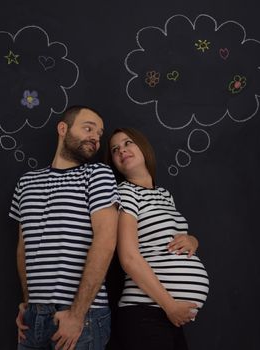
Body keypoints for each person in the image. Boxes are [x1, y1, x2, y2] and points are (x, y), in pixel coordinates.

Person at [9, 106, 120, 350]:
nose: (95, 137)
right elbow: (23, 248)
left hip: (81, 317)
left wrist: (77, 314)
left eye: (99, 134)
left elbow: (105, 241)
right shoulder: (26, 183)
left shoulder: (98, 174)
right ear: (63, 129)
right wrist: (28, 304)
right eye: (88, 128)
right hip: (32, 319)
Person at [106, 128, 209, 350]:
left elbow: (169, 237)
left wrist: (193, 240)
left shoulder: (164, 194)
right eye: (115, 149)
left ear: (143, 147)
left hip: (165, 313)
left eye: (128, 143)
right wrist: (170, 305)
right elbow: (129, 258)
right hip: (145, 311)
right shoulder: (125, 193)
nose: (122, 150)